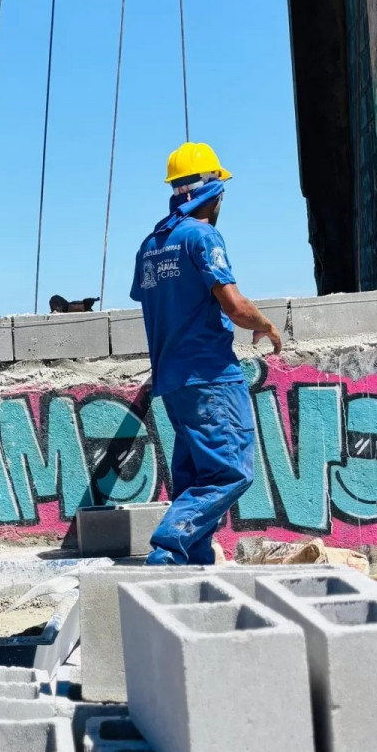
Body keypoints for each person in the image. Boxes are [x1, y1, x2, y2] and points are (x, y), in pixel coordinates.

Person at [131, 142, 283, 565]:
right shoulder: (203, 235)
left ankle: (190, 563)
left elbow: (154, 303)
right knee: (231, 471)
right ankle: (169, 549)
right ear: (212, 192)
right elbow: (234, 306)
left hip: (173, 381)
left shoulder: (151, 244)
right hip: (210, 376)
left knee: (195, 475)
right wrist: (267, 325)